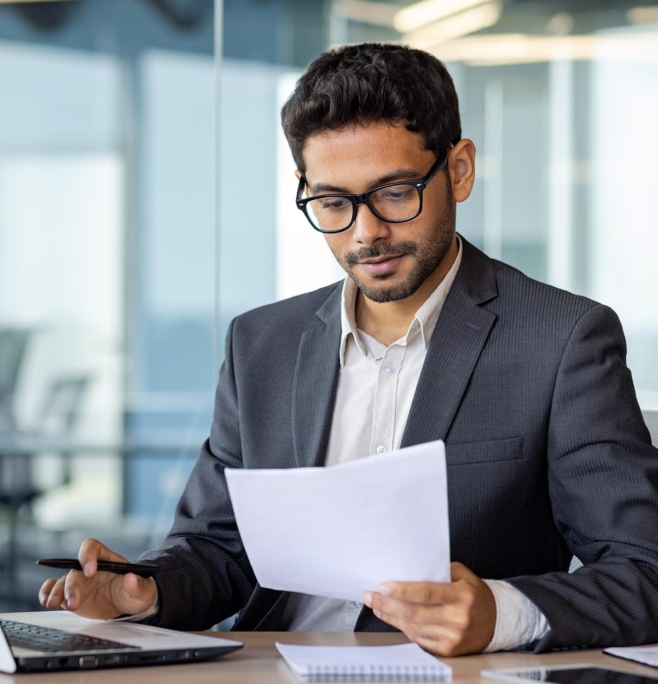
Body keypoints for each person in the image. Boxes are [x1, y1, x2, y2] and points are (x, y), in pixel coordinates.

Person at [38, 43, 658, 656]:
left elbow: (644, 570)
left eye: (395, 193)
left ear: (460, 170)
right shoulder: (262, 343)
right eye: (333, 203)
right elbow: (217, 547)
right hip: (265, 669)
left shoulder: (561, 339)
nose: (367, 234)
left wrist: (500, 613)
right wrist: (141, 592)